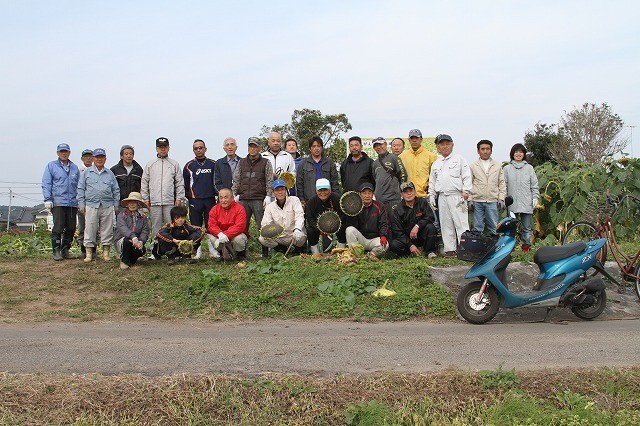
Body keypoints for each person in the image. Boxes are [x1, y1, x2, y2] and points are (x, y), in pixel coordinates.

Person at [428, 134, 472, 257]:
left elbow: (467, 176)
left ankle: (466, 249)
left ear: (452, 145)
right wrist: (432, 196)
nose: (445, 146)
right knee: (446, 224)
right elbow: (432, 181)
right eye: (442, 144)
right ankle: (450, 250)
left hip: (457, 196)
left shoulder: (459, 159)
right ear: (438, 147)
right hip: (442, 197)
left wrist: (466, 192)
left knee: (461, 223)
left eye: (447, 144)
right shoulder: (436, 164)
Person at [141, 137, 185, 259]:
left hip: (170, 202)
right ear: (156, 148)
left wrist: (179, 198)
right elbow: (144, 182)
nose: (163, 149)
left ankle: (173, 251)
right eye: (160, 147)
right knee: (155, 228)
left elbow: (179, 182)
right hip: (154, 202)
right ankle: (155, 252)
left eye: (165, 147)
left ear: (168, 148)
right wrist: (145, 199)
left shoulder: (174, 164)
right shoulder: (150, 164)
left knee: (172, 227)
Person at [77, 148, 120, 262]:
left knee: (107, 230)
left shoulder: (110, 173)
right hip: (91, 205)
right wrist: (81, 204)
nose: (99, 159)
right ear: (93, 158)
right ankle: (89, 254)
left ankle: (106, 253)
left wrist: (116, 205)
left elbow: (116, 190)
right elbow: (81, 189)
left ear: (105, 159)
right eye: (97, 157)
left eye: (102, 157)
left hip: (107, 205)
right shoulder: (86, 172)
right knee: (90, 229)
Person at [41, 143, 80, 261]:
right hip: (58, 202)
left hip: (72, 203)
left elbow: (78, 185)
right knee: (58, 227)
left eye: (66, 151)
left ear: (69, 152)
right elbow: (46, 183)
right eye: (61, 151)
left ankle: (65, 249)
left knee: (71, 228)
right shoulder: (51, 166)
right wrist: (48, 199)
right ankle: (56, 250)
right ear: (58, 153)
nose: (64, 153)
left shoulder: (74, 167)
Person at [231, 137, 273, 244]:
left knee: (263, 225)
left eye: (255, 146)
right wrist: (234, 194)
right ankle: (242, 251)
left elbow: (269, 180)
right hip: (243, 199)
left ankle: (265, 251)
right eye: (250, 146)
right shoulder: (242, 162)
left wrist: (268, 196)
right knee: (242, 226)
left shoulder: (265, 162)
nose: (253, 149)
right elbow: (236, 179)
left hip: (259, 199)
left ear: (260, 148)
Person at [183, 139, 216, 259]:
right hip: (195, 200)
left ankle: (213, 251)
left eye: (200, 147)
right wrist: (190, 197)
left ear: (205, 149)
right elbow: (186, 184)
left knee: (210, 226)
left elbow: (216, 181)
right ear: (193, 150)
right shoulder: (189, 166)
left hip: (210, 199)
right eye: (196, 148)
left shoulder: (213, 164)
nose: (198, 150)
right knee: (195, 227)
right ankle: (197, 252)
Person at [503, 143, 540, 252]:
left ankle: (526, 247)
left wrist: (535, 197)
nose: (518, 154)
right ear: (512, 154)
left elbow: (534, 185)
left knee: (526, 227)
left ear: (524, 154)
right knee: (511, 227)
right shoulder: (507, 169)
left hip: (526, 201)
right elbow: (503, 185)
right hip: (512, 203)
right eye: (516, 152)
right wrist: (504, 198)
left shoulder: (529, 168)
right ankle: (511, 247)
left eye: (520, 152)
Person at [259, 179, 306, 256]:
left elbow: (299, 215)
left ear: (286, 190)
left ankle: (297, 250)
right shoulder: (270, 207)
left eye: (282, 189)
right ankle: (282, 250)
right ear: (273, 192)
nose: (280, 192)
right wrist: (268, 232)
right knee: (262, 238)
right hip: (280, 237)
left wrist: (297, 229)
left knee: (300, 237)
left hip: (293, 235)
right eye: (277, 190)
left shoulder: (295, 200)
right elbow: (265, 223)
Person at [390, 182, 437, 257]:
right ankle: (410, 253)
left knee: (430, 227)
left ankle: (429, 252)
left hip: (421, 235)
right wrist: (410, 245)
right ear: (401, 194)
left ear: (415, 192)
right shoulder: (398, 209)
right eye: (406, 192)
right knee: (394, 244)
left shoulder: (422, 202)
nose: (409, 194)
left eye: (411, 191)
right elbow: (397, 231)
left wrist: (417, 226)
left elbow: (430, 217)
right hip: (407, 239)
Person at [469, 140, 506, 237]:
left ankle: (496, 247)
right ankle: (477, 248)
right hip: (477, 200)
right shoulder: (473, 166)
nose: (485, 151)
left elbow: (501, 183)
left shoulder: (497, 166)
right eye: (483, 149)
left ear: (491, 150)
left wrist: (501, 198)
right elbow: (469, 184)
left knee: (494, 227)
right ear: (478, 151)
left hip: (492, 200)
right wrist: (470, 199)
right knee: (477, 227)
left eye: (488, 149)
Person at [344, 182, 388, 258]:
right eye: (364, 193)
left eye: (369, 193)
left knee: (385, 245)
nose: (367, 196)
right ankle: (356, 255)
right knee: (349, 229)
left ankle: (370, 255)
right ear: (360, 194)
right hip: (361, 239)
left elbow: (383, 223)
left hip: (374, 239)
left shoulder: (379, 206)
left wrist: (383, 235)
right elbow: (352, 226)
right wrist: (352, 212)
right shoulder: (355, 207)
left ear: (373, 194)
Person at [305, 178, 346, 254]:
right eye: (320, 190)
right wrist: (319, 228)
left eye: (325, 190)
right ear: (316, 191)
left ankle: (341, 250)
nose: (323, 193)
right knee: (310, 230)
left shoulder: (337, 199)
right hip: (319, 227)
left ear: (330, 190)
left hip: (336, 225)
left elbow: (342, 214)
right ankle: (315, 252)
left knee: (343, 227)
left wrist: (335, 226)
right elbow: (310, 219)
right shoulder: (311, 202)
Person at [296, 136, 340, 207]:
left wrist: (335, 198)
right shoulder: (303, 164)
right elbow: (299, 183)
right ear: (310, 148)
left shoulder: (329, 163)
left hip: (327, 200)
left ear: (322, 148)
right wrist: (301, 199)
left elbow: (334, 182)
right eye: (314, 146)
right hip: (309, 200)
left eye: (319, 146)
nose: (316, 148)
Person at [207, 188, 249, 260]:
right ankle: (222, 255)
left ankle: (240, 255)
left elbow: (240, 226)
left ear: (232, 198)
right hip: (221, 236)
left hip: (235, 235)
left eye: (226, 197)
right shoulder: (214, 209)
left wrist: (226, 234)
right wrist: (220, 234)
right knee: (211, 237)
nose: (223, 200)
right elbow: (211, 225)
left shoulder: (240, 209)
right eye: (221, 198)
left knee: (239, 239)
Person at [114, 192, 149, 269]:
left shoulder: (143, 217)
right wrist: (133, 237)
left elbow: (145, 231)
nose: (132, 205)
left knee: (142, 250)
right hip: (122, 241)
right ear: (127, 204)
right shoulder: (121, 215)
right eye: (130, 202)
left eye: (134, 203)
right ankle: (124, 261)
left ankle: (131, 261)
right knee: (127, 240)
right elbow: (123, 228)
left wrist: (141, 241)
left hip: (136, 242)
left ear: (138, 204)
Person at [400, 129, 438, 199]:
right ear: (409, 140)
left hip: (425, 197)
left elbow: (436, 176)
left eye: (416, 138)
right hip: (408, 197)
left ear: (421, 139)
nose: (414, 140)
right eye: (412, 138)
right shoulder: (402, 157)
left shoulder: (431, 156)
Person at [371, 137, 407, 210]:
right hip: (379, 199)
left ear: (385, 144)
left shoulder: (394, 157)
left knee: (394, 220)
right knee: (382, 221)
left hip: (393, 199)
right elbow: (375, 179)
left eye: (380, 144)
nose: (378, 147)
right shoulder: (375, 163)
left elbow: (403, 175)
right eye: (376, 146)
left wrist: (401, 191)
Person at [76, 148, 94, 259]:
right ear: (82, 158)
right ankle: (83, 250)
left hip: (94, 204)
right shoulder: (78, 171)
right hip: (82, 203)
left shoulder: (96, 170)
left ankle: (93, 250)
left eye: (90, 156)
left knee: (93, 227)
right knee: (83, 227)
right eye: (86, 156)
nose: (88, 158)